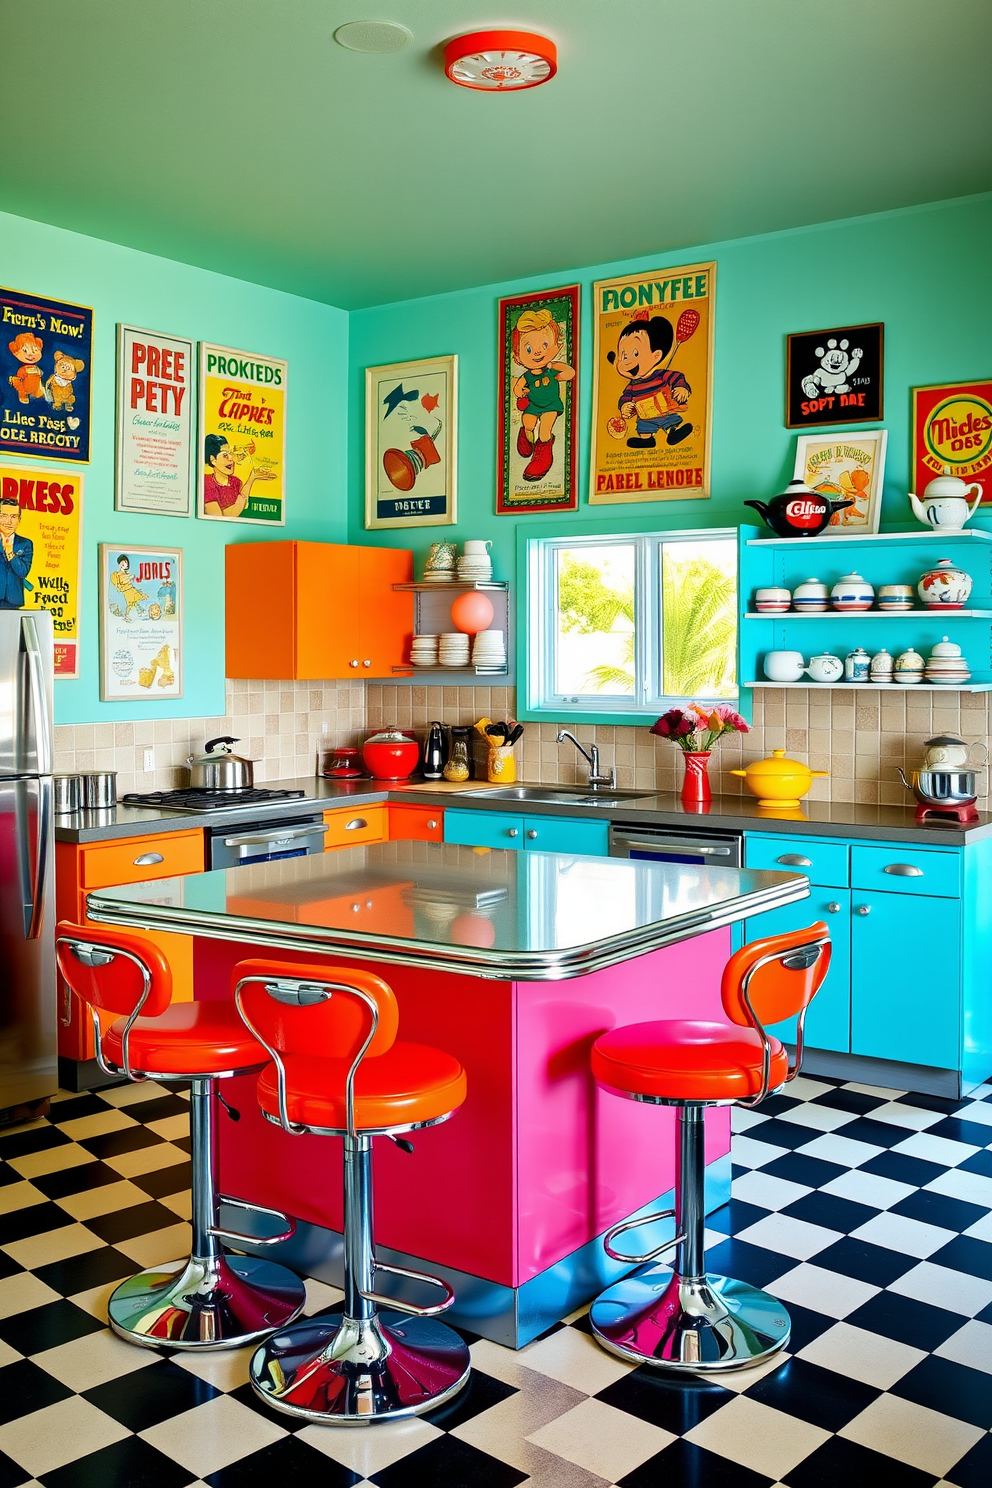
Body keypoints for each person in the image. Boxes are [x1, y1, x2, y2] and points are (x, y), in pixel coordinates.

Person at [511, 308, 574, 482]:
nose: (538, 352)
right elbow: (517, 389)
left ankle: (543, 456)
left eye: (544, 346)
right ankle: (526, 434)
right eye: (529, 349)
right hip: (533, 405)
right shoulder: (527, 376)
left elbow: (570, 373)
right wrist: (521, 392)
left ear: (557, 346)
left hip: (551, 405)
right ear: (518, 356)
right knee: (528, 422)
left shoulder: (551, 370)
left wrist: (556, 368)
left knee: (545, 429)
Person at [202, 434, 274, 518]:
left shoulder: (236, 482)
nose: (231, 458)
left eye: (230, 453)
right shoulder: (206, 482)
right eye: (225, 455)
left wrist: (253, 476)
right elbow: (218, 517)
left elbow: (243, 507)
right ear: (213, 460)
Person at [0, 496, 33, 609]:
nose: (8, 521)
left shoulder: (25, 544)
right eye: (3, 516)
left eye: (13, 517)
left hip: (13, 600)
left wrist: (10, 552)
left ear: (19, 520)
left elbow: (23, 572)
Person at [110, 555, 147, 621]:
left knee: (135, 602)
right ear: (120, 563)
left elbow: (130, 579)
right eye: (123, 563)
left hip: (131, 589)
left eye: (126, 564)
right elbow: (122, 580)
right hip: (127, 591)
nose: (124, 565)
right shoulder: (118, 574)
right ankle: (128, 615)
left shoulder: (126, 574)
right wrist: (130, 577)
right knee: (131, 603)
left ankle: (140, 612)